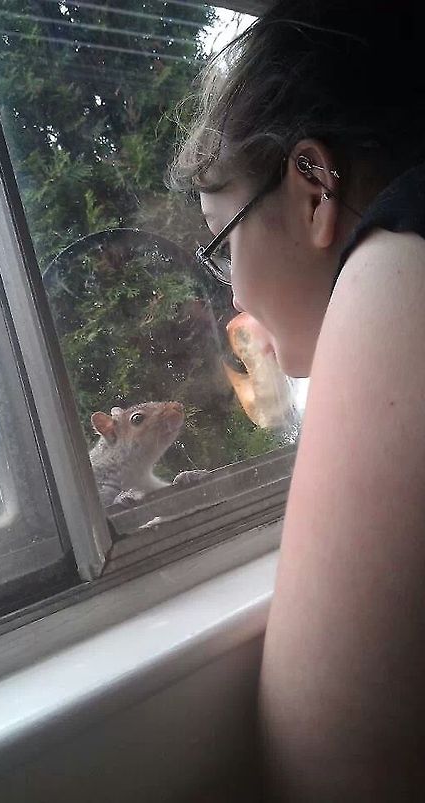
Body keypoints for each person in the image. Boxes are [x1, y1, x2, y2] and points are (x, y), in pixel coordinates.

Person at [169, 1, 425, 800]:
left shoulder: (398, 265)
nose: (234, 296)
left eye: (220, 245)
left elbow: (331, 774)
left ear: (314, 187)